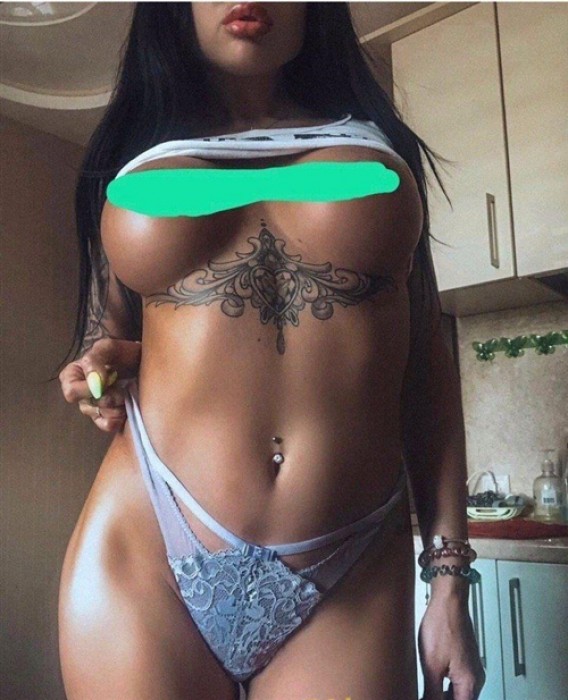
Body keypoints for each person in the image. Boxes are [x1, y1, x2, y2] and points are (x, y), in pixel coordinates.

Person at [55, 3, 485, 699]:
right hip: (147, 540)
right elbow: (112, 336)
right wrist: (97, 369)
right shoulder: (132, 155)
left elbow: (425, 368)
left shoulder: (377, 148)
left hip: (350, 563)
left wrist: (450, 580)